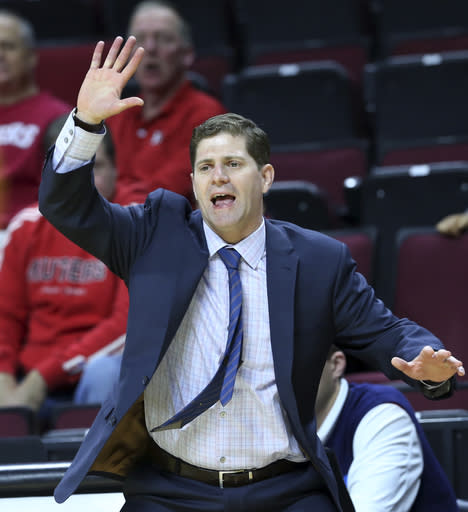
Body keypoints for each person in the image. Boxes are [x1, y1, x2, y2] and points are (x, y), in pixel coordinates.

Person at [38, 37, 465, 511]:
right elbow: (66, 206)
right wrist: (86, 123)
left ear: (264, 177)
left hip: (283, 489)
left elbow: (387, 332)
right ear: (194, 182)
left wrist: (423, 362)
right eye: (205, 167)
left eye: (232, 165)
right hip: (170, 489)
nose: (217, 177)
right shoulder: (152, 237)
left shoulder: (318, 260)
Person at [0, 119, 134, 417]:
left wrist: (43, 377)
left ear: (116, 169)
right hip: (26, 377)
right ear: (48, 176)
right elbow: (6, 316)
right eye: (71, 169)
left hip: (91, 373)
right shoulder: (25, 227)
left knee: (105, 373)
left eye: (95, 168)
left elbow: (126, 325)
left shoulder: (135, 224)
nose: (82, 184)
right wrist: (4, 377)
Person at [107, 0, 226, 205]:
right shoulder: (116, 112)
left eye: (164, 39)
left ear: (186, 55)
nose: (150, 48)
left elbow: (170, 192)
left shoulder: (207, 115)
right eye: (140, 39)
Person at [316, 346, 458, 511]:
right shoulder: (283, 427)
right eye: (277, 371)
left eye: (296, 365)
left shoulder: (382, 414)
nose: (283, 380)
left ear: (336, 364)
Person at [0, 9, 70, 228]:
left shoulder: (58, 116)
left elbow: (62, 196)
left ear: (31, 56)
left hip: (24, 232)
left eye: (8, 46)